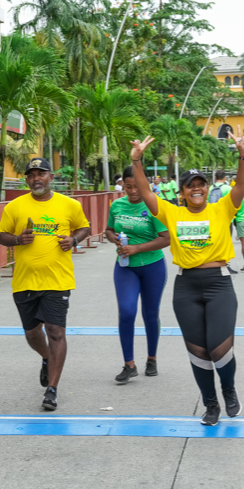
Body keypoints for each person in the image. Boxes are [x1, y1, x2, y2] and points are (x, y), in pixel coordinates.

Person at [129, 127, 244, 427]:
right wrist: (136, 161)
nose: (196, 188)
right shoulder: (171, 212)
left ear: (207, 188)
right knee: (198, 351)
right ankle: (210, 405)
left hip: (220, 284)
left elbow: (241, 185)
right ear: (182, 192)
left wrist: (242, 154)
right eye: (190, 185)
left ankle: (229, 389)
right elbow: (145, 192)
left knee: (219, 347)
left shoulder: (222, 208)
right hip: (186, 286)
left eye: (201, 184)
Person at [0, 157, 91, 411]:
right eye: (31, 175)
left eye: (41, 173)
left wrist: (73, 240)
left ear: (51, 177)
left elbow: (84, 228)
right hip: (24, 280)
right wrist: (17, 239)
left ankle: (52, 389)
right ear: (27, 179)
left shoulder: (69, 204)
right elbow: (0, 236)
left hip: (58, 279)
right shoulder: (14, 207)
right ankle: (47, 357)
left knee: (56, 331)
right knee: (32, 332)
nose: (36, 178)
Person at [103, 165, 170, 384]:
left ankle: (152, 358)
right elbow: (109, 229)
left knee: (150, 314)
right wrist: (114, 238)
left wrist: (137, 248)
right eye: (128, 186)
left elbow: (166, 238)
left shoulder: (153, 206)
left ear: (146, 185)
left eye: (137, 187)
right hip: (125, 267)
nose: (133, 191)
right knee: (127, 310)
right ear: (122, 185)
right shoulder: (117, 205)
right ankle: (129, 364)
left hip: (152, 266)